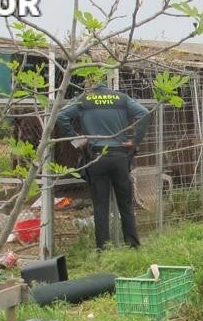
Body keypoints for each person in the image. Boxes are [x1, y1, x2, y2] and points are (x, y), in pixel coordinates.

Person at [55, 78, 153, 250]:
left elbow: (61, 116)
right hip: (120, 157)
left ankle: (103, 249)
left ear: (89, 84)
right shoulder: (121, 98)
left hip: (97, 157)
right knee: (126, 204)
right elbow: (144, 113)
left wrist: (78, 139)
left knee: (101, 206)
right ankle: (133, 246)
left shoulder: (84, 99)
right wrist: (135, 141)